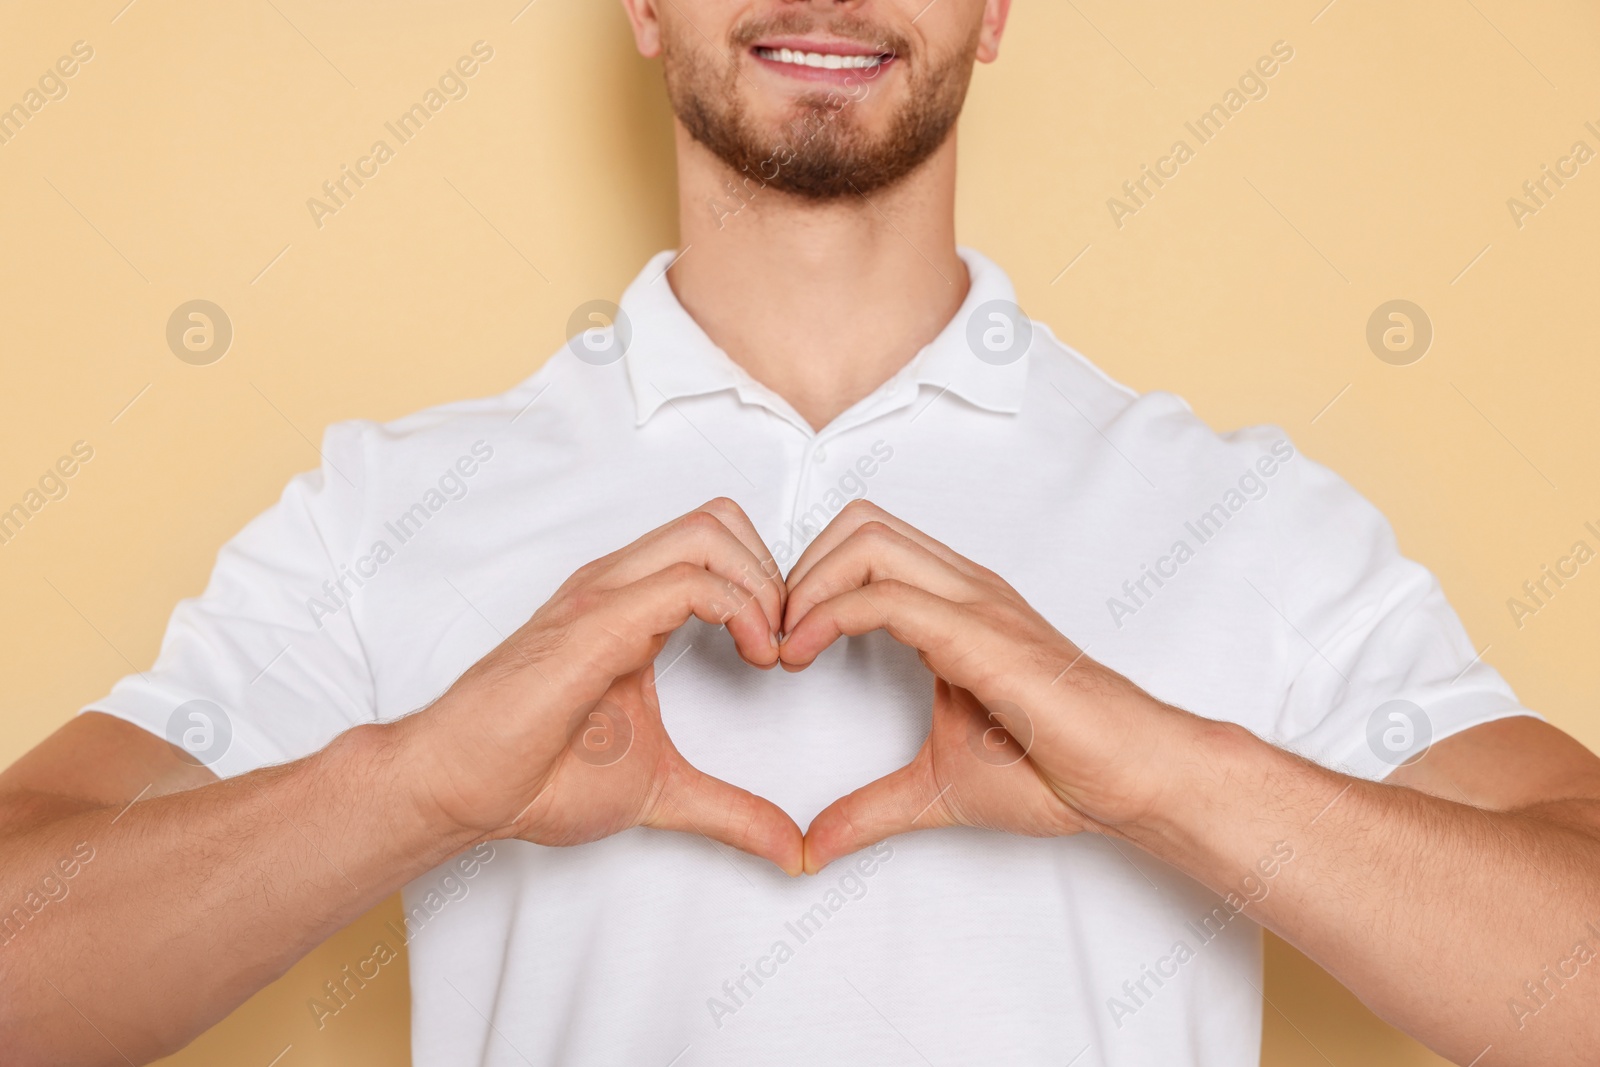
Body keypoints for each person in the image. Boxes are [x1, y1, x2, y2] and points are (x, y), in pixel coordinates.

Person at [3, 1, 1597, 1064]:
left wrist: (1159, 768)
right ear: (640, 1)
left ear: (993, 3)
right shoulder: (386, 508)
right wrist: (417, 784)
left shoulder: (1246, 520)